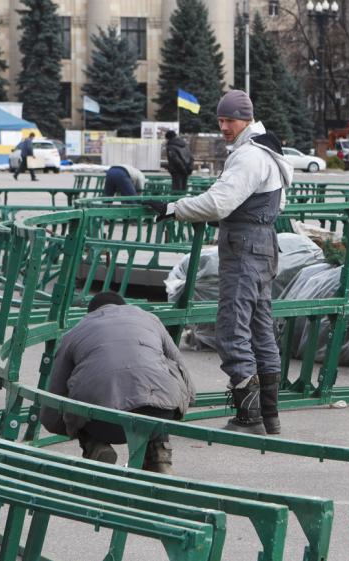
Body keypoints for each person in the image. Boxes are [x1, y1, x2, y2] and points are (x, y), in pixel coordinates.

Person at [143, 90, 293, 436]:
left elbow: (219, 203)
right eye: (220, 120)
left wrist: (173, 208)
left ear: (246, 118)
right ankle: (270, 415)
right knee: (260, 328)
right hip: (264, 244)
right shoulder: (269, 151)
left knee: (231, 329)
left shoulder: (249, 157)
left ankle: (248, 418)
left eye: (230, 120)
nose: (224, 126)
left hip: (243, 248)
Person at [40, 292, 195, 473]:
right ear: (123, 306)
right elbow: (185, 377)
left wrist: (73, 427)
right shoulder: (150, 320)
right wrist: (178, 408)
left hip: (104, 423)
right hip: (159, 417)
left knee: (82, 389)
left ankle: (95, 446)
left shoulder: (75, 332)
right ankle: (159, 454)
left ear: (91, 313)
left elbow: (52, 405)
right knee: (157, 379)